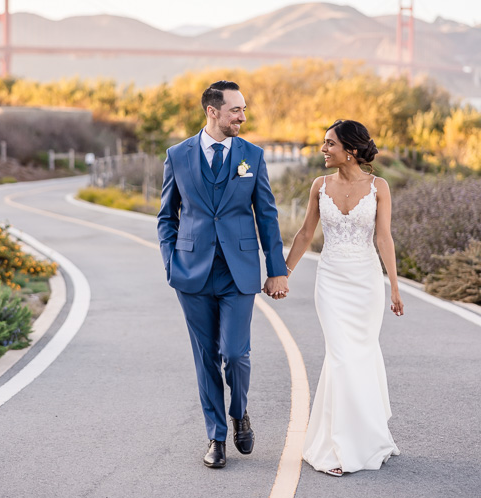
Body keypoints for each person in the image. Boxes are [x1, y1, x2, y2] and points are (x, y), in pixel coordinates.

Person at [157, 80, 289, 469]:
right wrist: (171, 262)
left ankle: (240, 413)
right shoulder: (177, 155)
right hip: (191, 272)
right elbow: (167, 216)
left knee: (235, 354)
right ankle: (216, 437)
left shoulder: (252, 155)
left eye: (244, 109)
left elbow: (267, 215)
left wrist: (276, 270)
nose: (243, 117)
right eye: (236, 110)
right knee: (206, 359)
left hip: (239, 271)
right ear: (212, 111)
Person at [283, 119, 404, 476]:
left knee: (361, 355)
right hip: (331, 282)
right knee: (341, 358)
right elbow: (306, 233)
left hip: (366, 284)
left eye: (329, 144)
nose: (323, 149)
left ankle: (369, 436)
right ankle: (337, 447)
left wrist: (394, 286)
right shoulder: (319, 185)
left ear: (350, 150)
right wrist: (282, 274)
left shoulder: (379, 187)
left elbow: (384, 239)